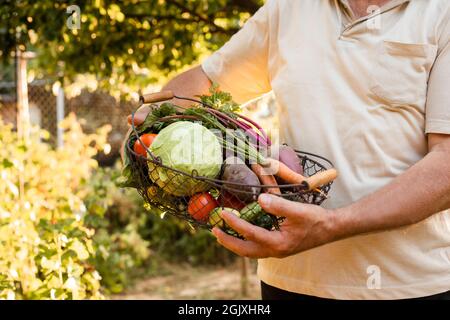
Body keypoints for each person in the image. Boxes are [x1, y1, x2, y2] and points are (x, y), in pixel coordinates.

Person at [126, 0, 450, 300]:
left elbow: (446, 164)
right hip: (289, 279)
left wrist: (332, 224)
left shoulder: (441, 12)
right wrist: (157, 118)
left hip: (408, 285)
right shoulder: (290, 7)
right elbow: (210, 80)